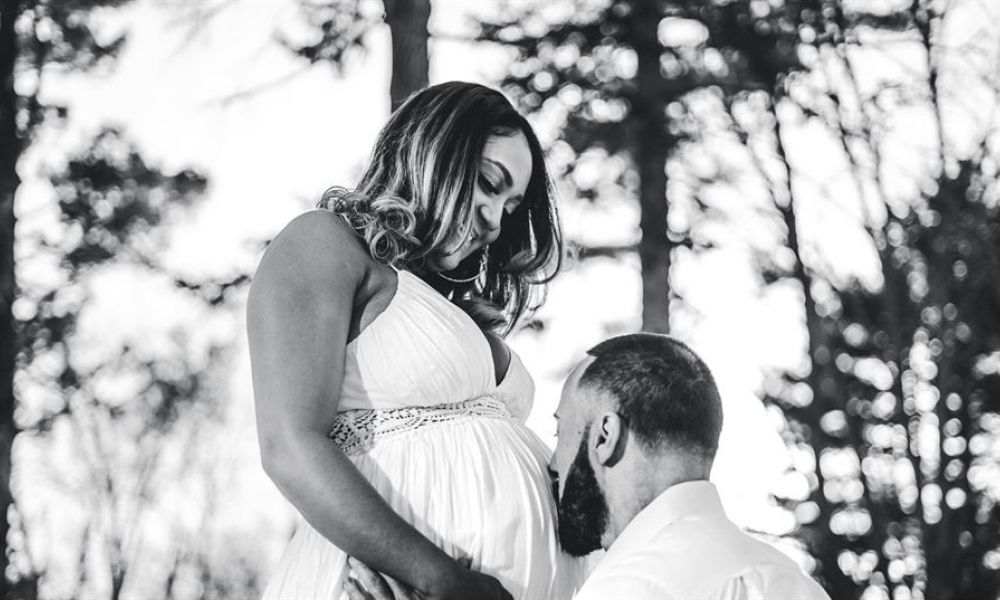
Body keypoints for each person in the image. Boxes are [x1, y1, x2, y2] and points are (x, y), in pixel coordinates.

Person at [247, 81, 580, 600]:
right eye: (489, 184)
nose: (495, 221)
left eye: (511, 206)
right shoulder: (325, 243)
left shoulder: (450, 305)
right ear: (433, 152)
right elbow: (289, 447)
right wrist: (442, 579)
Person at [346, 333, 831, 600]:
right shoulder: (789, 581)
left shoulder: (636, 588)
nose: (551, 463)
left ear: (604, 436)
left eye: (561, 432)